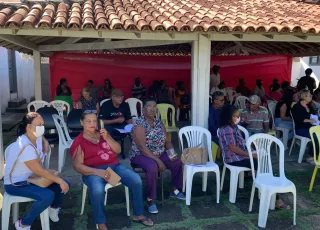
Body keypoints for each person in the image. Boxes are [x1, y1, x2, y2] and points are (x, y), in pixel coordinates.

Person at [70, 111, 153, 230]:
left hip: (114, 166)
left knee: (136, 180)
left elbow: (118, 150)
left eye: (94, 121)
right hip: (92, 170)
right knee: (98, 190)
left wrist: (107, 137)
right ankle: (101, 222)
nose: (92, 123)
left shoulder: (103, 134)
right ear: (81, 122)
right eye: (88, 121)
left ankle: (138, 214)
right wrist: (98, 172)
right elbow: (78, 166)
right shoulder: (79, 141)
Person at [4, 112, 70, 230]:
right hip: (16, 183)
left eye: (43, 124)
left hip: (31, 178)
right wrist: (59, 180)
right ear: (29, 127)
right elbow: (39, 171)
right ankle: (23, 224)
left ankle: (53, 208)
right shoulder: (24, 146)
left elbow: (43, 147)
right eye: (40, 125)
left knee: (65, 185)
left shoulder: (37, 138)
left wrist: (44, 140)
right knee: (47, 195)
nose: (42, 127)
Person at [218, 105, 290, 209]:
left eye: (238, 116)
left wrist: (251, 149)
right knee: (262, 166)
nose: (237, 118)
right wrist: (250, 155)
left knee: (263, 162)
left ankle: (266, 189)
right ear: (228, 117)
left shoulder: (233, 126)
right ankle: (274, 197)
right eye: (235, 116)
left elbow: (241, 141)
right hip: (234, 159)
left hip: (240, 156)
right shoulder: (227, 129)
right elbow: (233, 148)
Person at [130, 98, 185, 214]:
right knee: (152, 166)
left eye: (154, 106)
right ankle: (151, 200)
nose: (152, 108)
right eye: (149, 106)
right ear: (144, 109)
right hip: (140, 155)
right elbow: (142, 147)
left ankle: (174, 190)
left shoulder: (159, 123)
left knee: (177, 162)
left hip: (159, 153)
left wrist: (171, 152)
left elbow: (166, 141)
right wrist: (158, 161)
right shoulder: (139, 124)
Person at [291, 89, 317, 164]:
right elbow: (299, 119)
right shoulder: (297, 107)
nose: (311, 96)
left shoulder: (309, 106)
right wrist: (310, 120)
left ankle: (316, 154)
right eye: (309, 95)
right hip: (301, 128)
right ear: (304, 97)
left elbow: (312, 115)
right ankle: (310, 156)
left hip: (310, 127)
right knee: (315, 137)